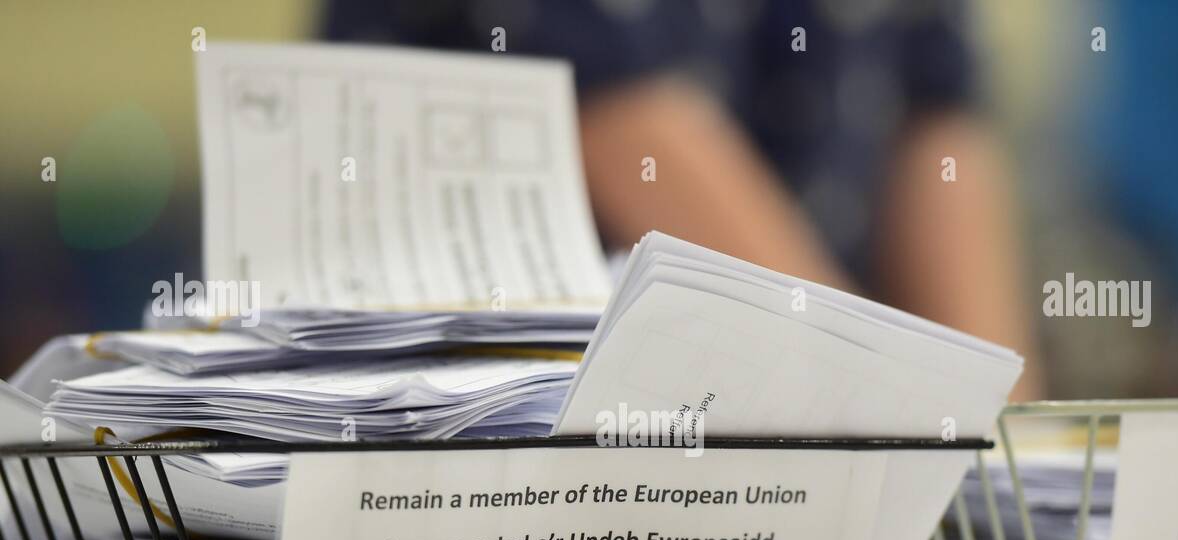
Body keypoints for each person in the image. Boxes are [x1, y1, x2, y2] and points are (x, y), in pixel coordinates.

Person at [326, 0, 1042, 397]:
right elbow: (620, 110)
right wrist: (899, 414)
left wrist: (1006, 440)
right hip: (483, 425)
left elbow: (938, 116)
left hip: (812, 401)